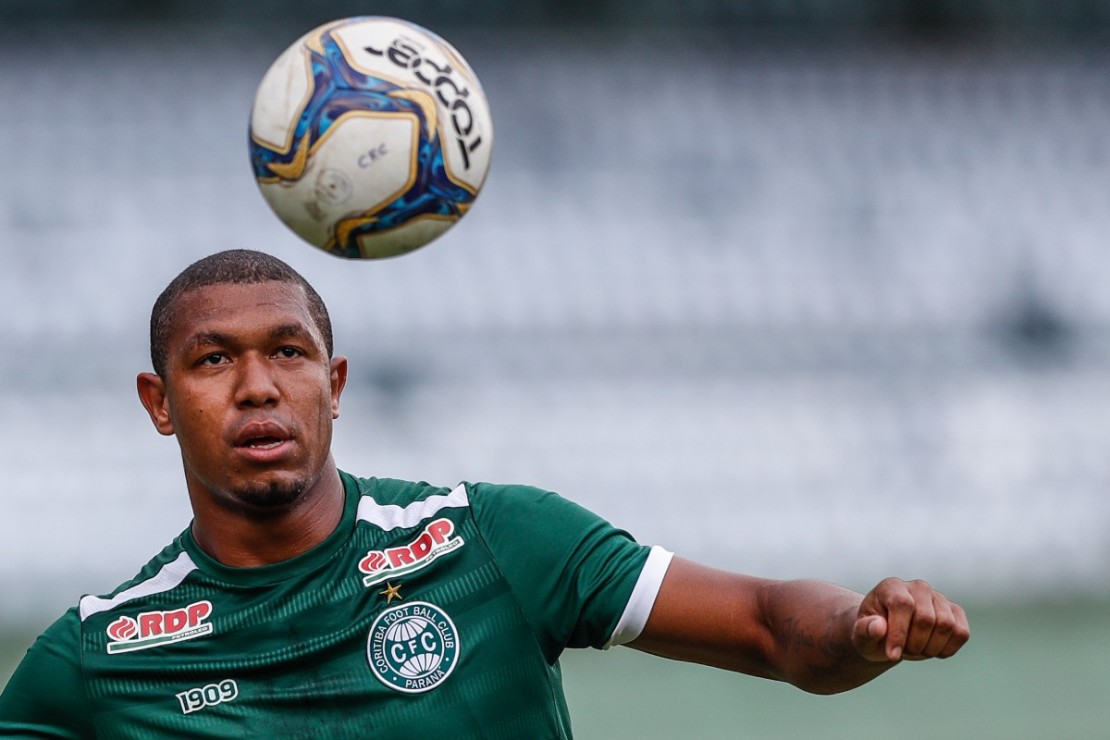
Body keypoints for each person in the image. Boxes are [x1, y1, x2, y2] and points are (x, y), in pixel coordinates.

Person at [0, 249, 969, 738]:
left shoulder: (492, 538)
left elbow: (764, 624)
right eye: (213, 359)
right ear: (159, 402)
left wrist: (856, 625)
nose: (258, 385)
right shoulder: (99, 656)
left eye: (288, 352)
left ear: (334, 384)